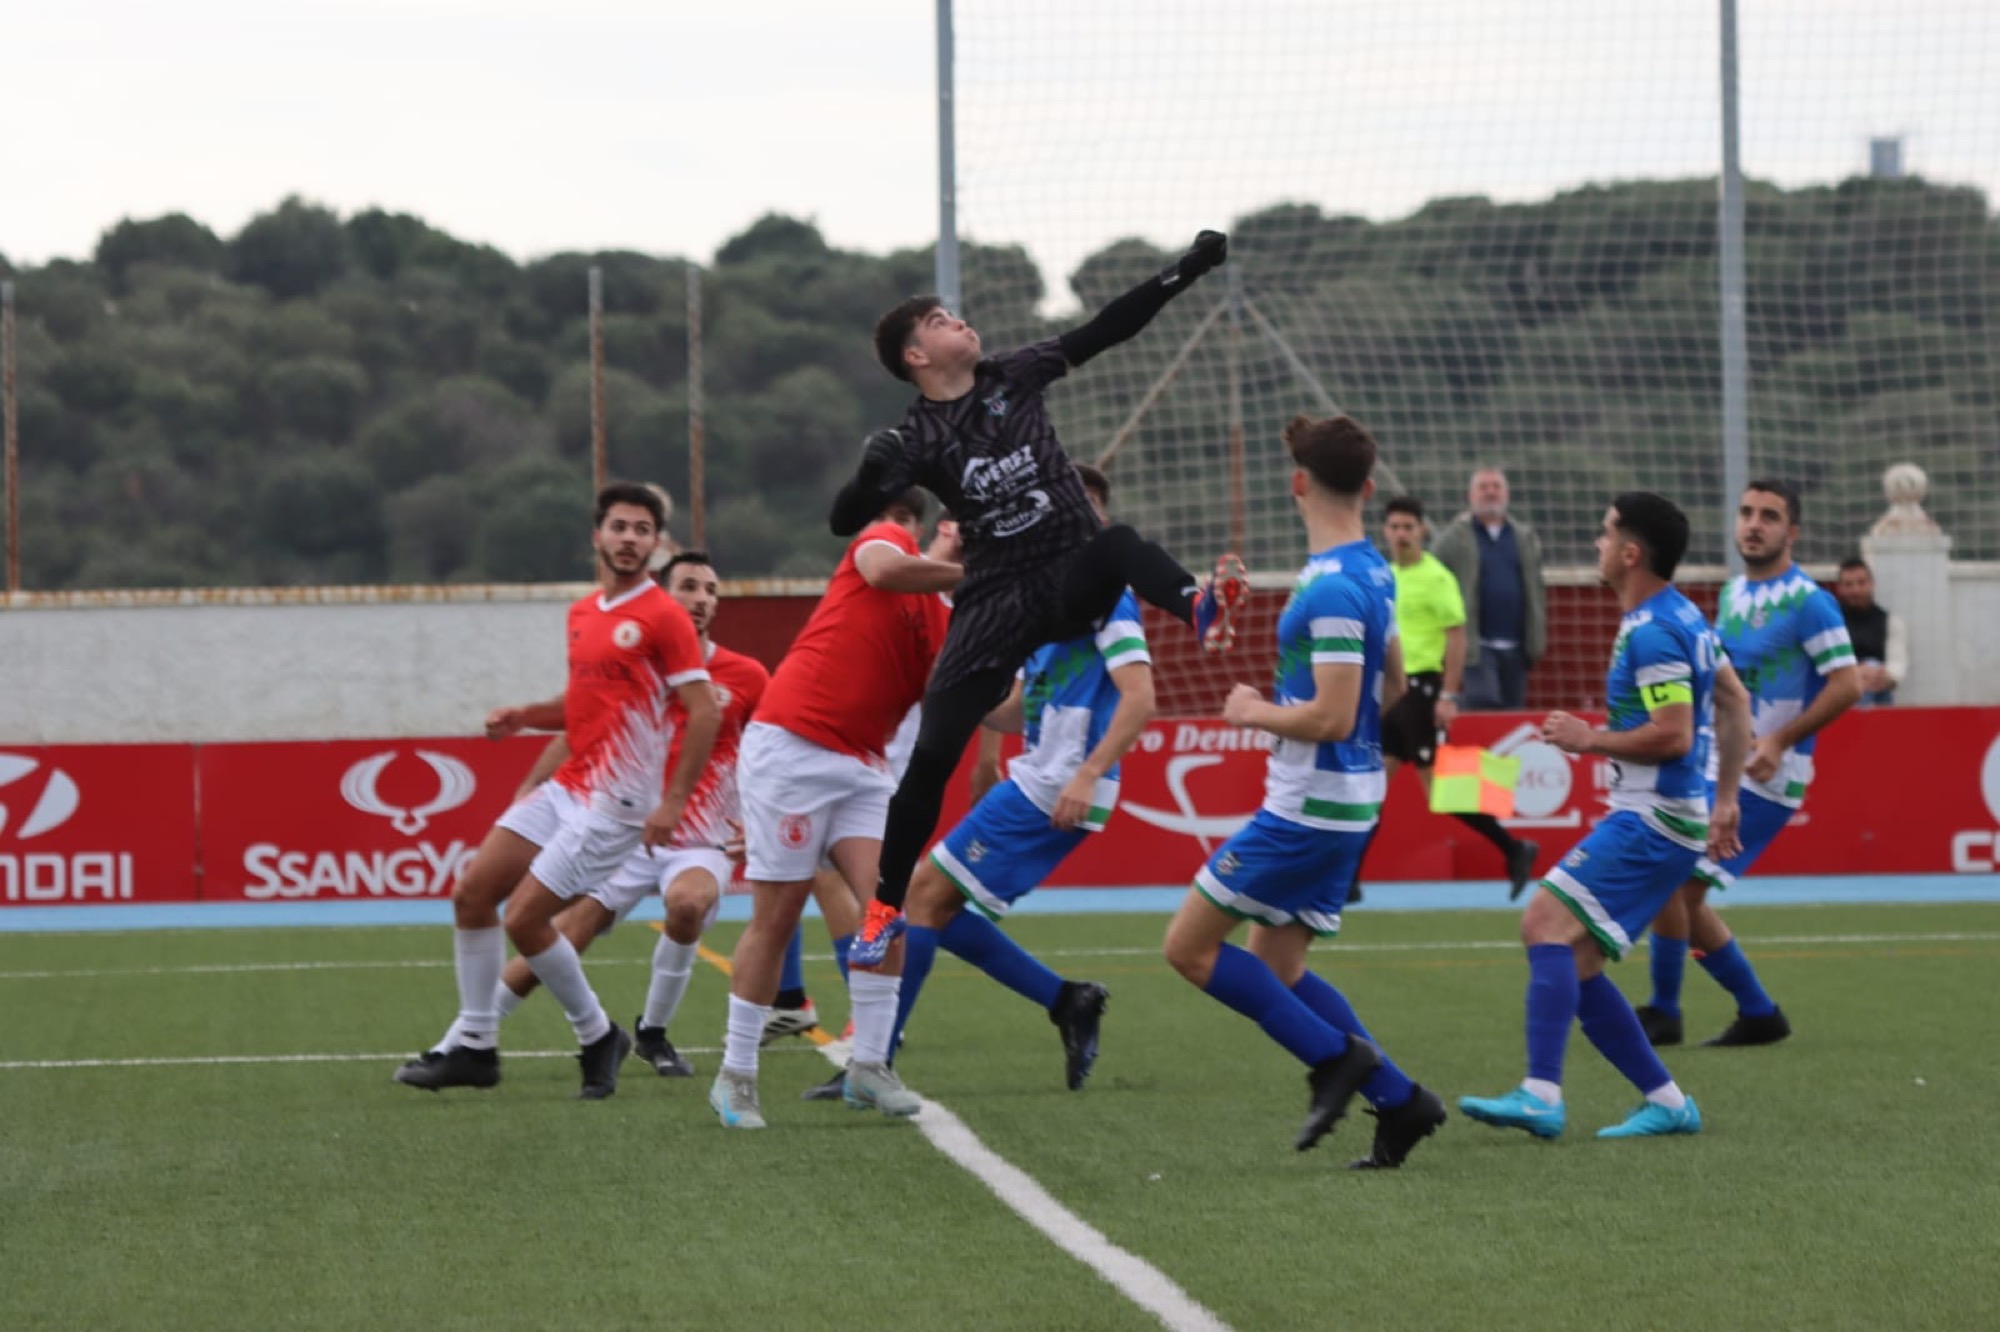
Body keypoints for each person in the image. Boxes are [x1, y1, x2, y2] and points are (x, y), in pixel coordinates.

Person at [832, 229, 1246, 970]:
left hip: (1065, 576)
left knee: (1118, 544)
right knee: (931, 758)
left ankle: (1199, 607)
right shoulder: (917, 436)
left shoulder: (1013, 374)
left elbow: (1107, 327)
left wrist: (1184, 270)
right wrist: (869, 477)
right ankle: (884, 908)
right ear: (916, 357)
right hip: (994, 599)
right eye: (940, 321)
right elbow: (842, 521)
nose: (960, 322)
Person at [1161, 414, 1448, 1171]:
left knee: (1188, 949)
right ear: (1369, 488)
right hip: (1344, 796)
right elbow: (1393, 686)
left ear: (1297, 483)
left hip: (1310, 805)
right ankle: (1402, 1102)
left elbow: (1330, 715)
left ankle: (1338, 1060)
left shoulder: (1334, 587)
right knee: (1278, 965)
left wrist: (1253, 710)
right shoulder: (1373, 571)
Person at [394, 483, 719, 1099]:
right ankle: (478, 1047)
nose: (629, 539)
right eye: (619, 527)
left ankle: (594, 1036)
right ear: (597, 536)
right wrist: (526, 716)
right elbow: (585, 705)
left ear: (655, 543)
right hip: (571, 785)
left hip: (618, 804)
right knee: (471, 895)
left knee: (524, 919)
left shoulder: (663, 617)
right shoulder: (583, 614)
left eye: (642, 530)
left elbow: (703, 710)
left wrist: (673, 801)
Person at [1458, 492, 1752, 1142]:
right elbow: (1735, 699)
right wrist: (1726, 798)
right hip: (1666, 815)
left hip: (1652, 817)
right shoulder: (1683, 617)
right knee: (1578, 959)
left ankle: (1541, 1093)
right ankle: (1668, 1102)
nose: (1597, 543)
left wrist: (1589, 738)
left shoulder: (1654, 631)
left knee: (1542, 922)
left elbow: (1674, 734)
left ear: (1630, 552)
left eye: (1605, 533)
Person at [891, 464, 1147, 1091]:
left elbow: (1141, 698)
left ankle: (873, 1058)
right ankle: (1067, 1000)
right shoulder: (1048, 599)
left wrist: (1087, 775)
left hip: (1057, 782)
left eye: (1091, 507)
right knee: (937, 907)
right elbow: (1019, 709)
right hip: (1043, 774)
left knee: (921, 895)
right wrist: (963, 698)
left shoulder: (1109, 595)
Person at [710, 490, 956, 1130]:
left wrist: (1037, 677)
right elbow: (880, 567)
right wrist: (973, 574)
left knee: (887, 910)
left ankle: (868, 1067)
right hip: (792, 747)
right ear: (941, 529)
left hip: (863, 767)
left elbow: (987, 706)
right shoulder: (888, 541)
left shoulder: (952, 621)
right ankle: (735, 1075)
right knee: (777, 915)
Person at [1636, 482, 1860, 1048]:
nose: (1754, 524)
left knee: (1678, 882)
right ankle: (1749, 1012)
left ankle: (1674, 1011)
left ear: (1792, 532)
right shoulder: (1734, 593)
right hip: (1720, 764)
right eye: (1746, 513)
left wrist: (1780, 740)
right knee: (1674, 882)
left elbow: (1848, 684)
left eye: (1769, 516)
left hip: (1767, 776)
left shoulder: (1810, 601)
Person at [1350, 495, 1538, 904]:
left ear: (1422, 531)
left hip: (1422, 690)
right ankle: (1349, 880)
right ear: (1385, 531)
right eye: (1394, 527)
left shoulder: (1437, 577)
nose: (1401, 534)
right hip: (1391, 694)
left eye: (1408, 527)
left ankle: (1513, 848)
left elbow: (1456, 636)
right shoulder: (1384, 576)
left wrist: (1449, 694)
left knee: (1440, 790)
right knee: (1370, 788)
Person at [1433, 468, 1546, 710]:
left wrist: (1537, 636)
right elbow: (1432, 568)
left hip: (1517, 645)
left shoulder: (1524, 537)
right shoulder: (1456, 537)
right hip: (1476, 644)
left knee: (1512, 715)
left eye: (1496, 486)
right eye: (1483, 487)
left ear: (1507, 493)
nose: (1490, 492)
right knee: (1483, 700)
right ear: (1470, 495)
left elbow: (1536, 588)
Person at [1835, 557, 1907, 706]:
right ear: (1839, 588)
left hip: (1879, 689)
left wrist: (1884, 677)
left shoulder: (1890, 622)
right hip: (1838, 690)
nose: (1855, 590)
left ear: (1871, 584)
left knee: (1873, 667)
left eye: (1861, 583)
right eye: (1849, 585)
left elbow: (1897, 662)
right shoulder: (1831, 622)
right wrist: (1854, 673)